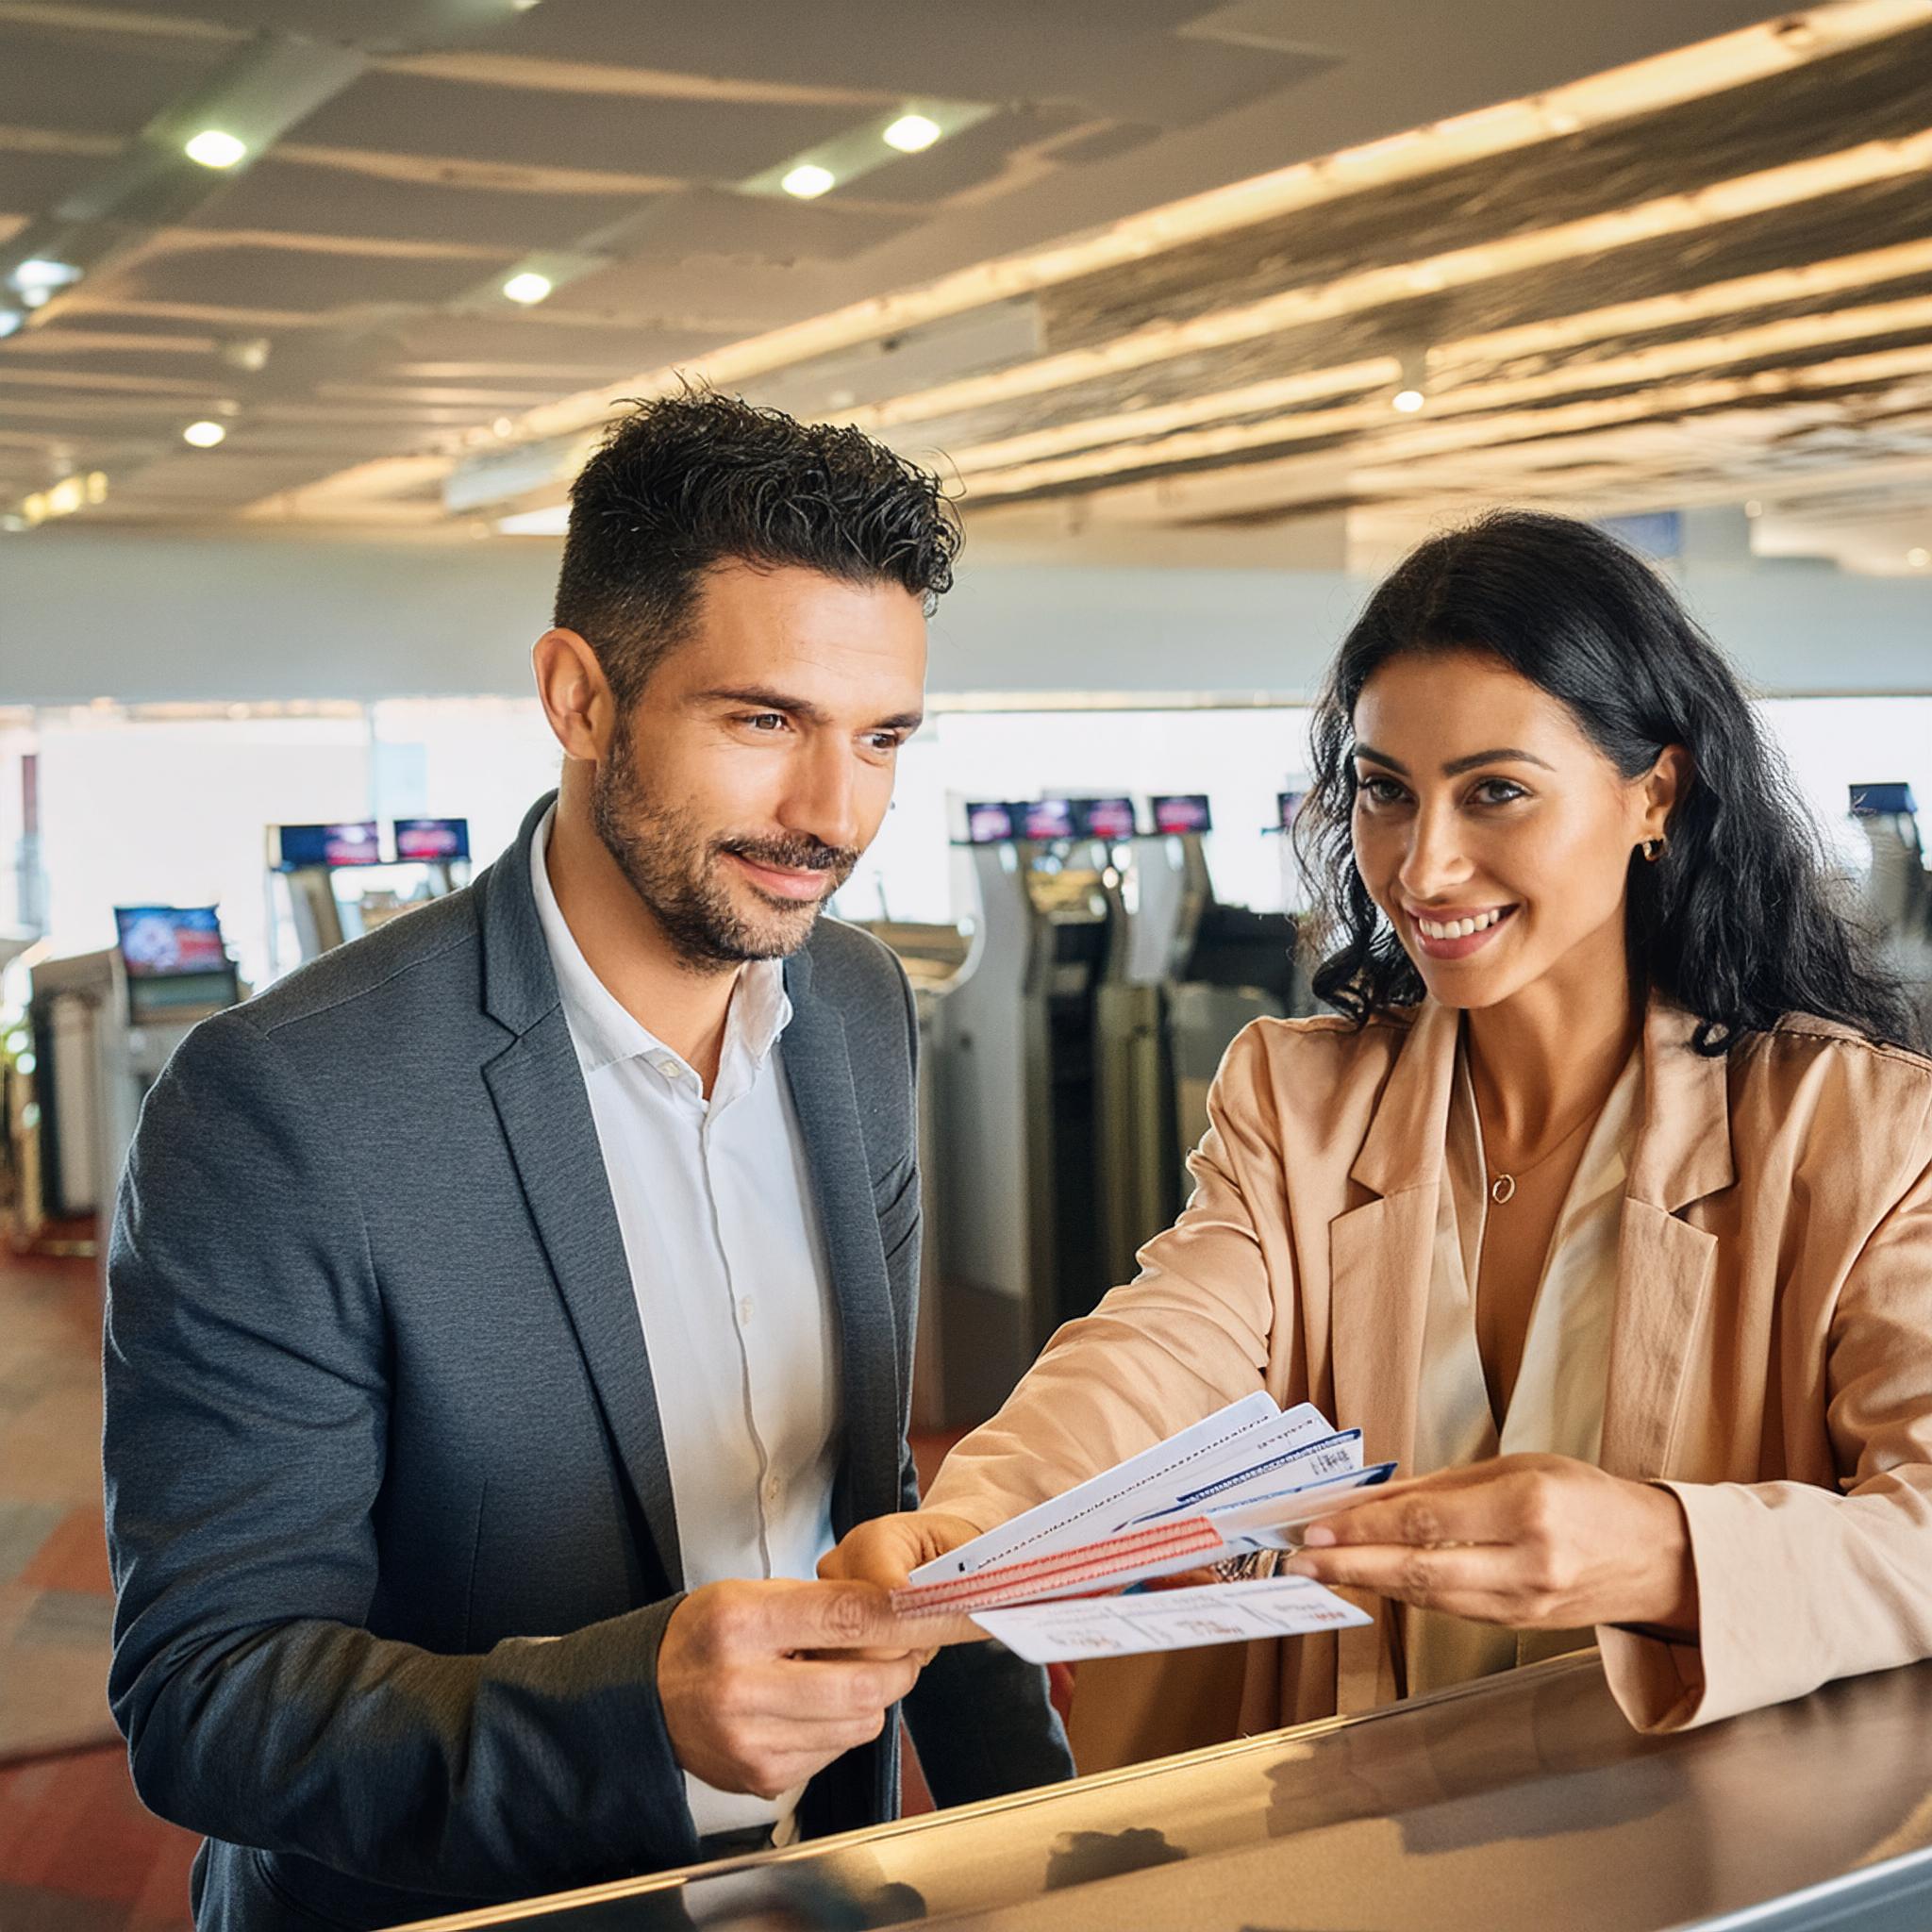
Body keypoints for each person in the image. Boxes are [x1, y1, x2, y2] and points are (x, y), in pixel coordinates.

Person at [103, 391, 1071, 1932]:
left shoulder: (859, 1009)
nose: (832, 813)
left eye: (880, 738)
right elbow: (209, 1693)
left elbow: (866, 1487)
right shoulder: (284, 1102)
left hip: (829, 1880)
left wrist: (1055, 1832)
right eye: (764, 721)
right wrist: (646, 1724)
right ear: (579, 696)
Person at [830, 508, 1932, 1766]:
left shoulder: (1861, 1134)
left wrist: (1660, 1551)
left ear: (1654, 794)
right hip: (1366, 1832)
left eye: (1496, 792)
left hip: (1698, 1843)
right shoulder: (1297, 1101)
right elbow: (1161, 1346)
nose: (1425, 865)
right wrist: (971, 1521)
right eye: (1386, 794)